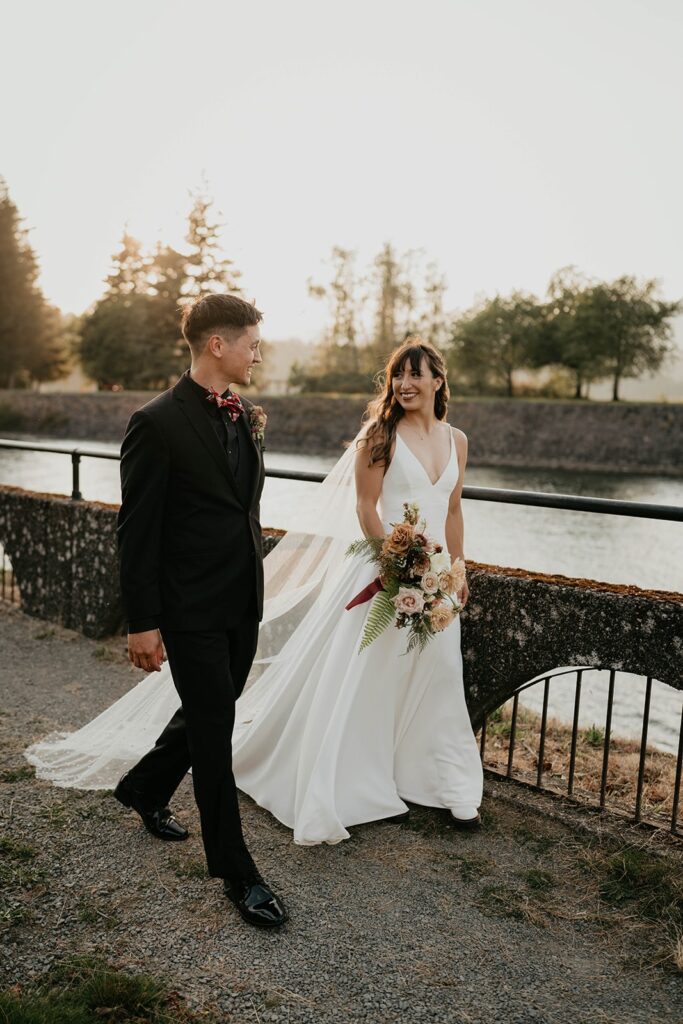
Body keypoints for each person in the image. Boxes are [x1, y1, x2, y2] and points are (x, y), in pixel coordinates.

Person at [26, 338, 482, 859]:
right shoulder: (379, 437)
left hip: (438, 576)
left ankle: (441, 778)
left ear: (438, 381)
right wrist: (395, 564)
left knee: (438, 674)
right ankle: (343, 784)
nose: (405, 383)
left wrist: (457, 567)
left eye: (417, 374)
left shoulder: (457, 440)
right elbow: (365, 506)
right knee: (363, 678)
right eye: (398, 374)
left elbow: (452, 511)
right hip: (383, 570)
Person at [111, 293, 285, 929]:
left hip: (242, 598)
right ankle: (239, 875)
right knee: (216, 733)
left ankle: (145, 787)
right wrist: (142, 621)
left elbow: (241, 509)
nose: (258, 352)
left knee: (216, 707)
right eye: (252, 342)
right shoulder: (155, 423)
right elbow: (137, 532)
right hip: (188, 609)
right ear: (219, 344)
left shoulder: (243, 414)